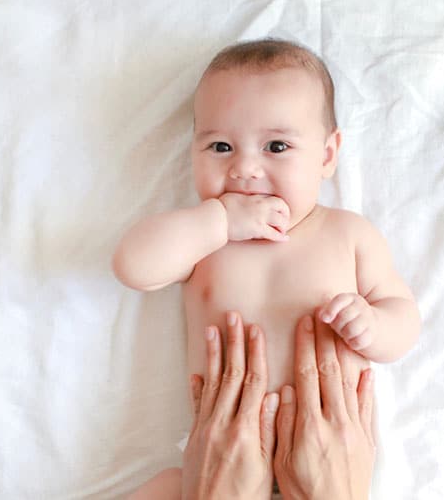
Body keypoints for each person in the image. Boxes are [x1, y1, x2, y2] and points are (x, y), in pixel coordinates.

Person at [114, 38, 421, 496]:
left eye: (276, 146)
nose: (244, 169)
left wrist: (372, 325)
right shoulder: (205, 240)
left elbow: (404, 316)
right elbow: (133, 265)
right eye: (220, 147)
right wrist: (218, 221)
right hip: (215, 467)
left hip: (330, 463)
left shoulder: (347, 234)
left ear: (327, 155)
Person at [129, 311, 376, 499]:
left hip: (222, 464)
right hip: (335, 462)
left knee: (170, 484)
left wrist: (373, 324)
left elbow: (400, 314)